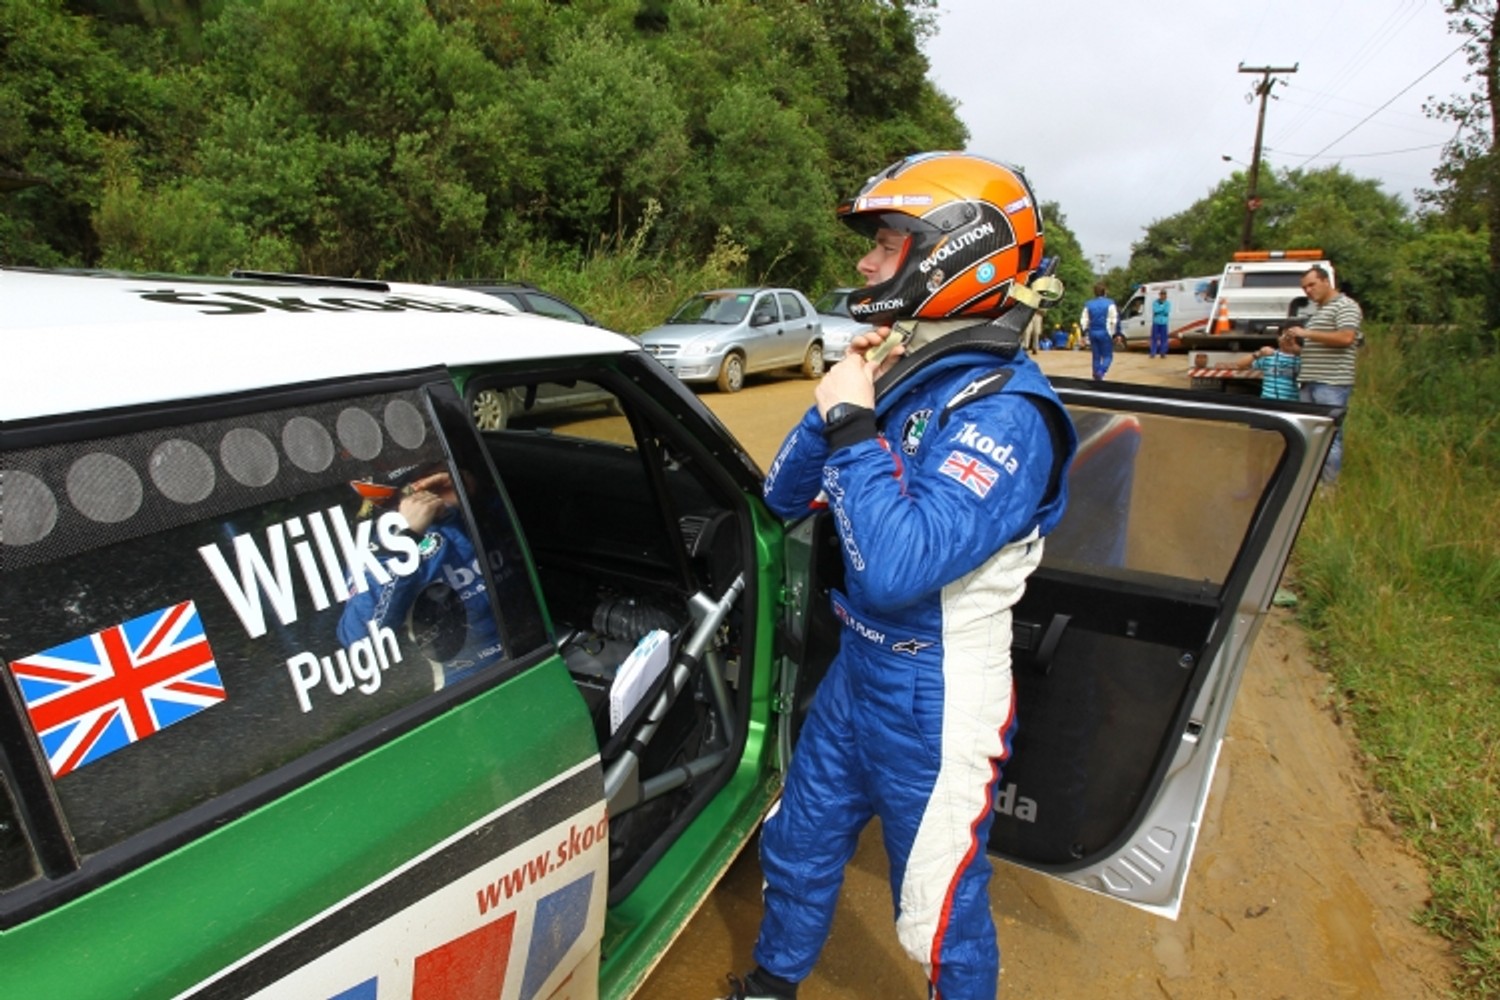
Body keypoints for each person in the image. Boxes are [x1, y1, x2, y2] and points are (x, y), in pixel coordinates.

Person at [721, 151, 1076, 1000]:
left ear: (953, 251)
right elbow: (784, 495)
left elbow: (896, 569)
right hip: (861, 669)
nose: (866, 264)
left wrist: (851, 419)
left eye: (886, 243)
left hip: (940, 690)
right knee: (797, 841)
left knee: (937, 909)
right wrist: (846, 400)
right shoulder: (914, 372)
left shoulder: (1008, 412)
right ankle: (773, 985)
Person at [1286, 266, 1362, 484]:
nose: (1308, 291)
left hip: (1332, 383)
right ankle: (1312, 484)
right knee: (1310, 435)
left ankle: (1328, 488)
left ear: (1326, 281)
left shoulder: (1345, 306)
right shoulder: (1319, 311)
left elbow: (1346, 338)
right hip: (1310, 381)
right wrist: (1294, 348)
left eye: (1312, 285)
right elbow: (1318, 348)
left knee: (1330, 437)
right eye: (1304, 288)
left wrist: (1306, 332)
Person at [1233, 330, 1302, 401]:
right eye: (1284, 336)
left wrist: (1298, 351)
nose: (1287, 339)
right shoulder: (1269, 355)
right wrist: (1259, 353)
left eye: (1290, 337)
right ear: (1279, 339)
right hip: (1268, 401)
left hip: (1291, 403)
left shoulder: (1300, 359)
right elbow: (1240, 365)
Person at [1080, 281, 1117, 380]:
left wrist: (1083, 334)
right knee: (1108, 356)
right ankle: (1101, 372)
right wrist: (1116, 334)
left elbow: (1084, 320)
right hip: (1105, 332)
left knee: (1096, 356)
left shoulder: (1088, 304)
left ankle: (1095, 376)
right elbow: (1114, 320)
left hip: (1093, 332)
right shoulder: (1110, 303)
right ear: (1105, 291)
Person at [1149, 287, 1171, 358]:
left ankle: (1163, 353)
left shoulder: (1168, 303)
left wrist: (1160, 310)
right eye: (1162, 294)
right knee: (1154, 338)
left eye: (1164, 294)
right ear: (1159, 295)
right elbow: (1155, 310)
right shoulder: (1155, 302)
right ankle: (1153, 353)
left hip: (1164, 323)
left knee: (1164, 339)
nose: (1163, 295)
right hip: (1156, 322)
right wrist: (1162, 309)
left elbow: (1167, 311)